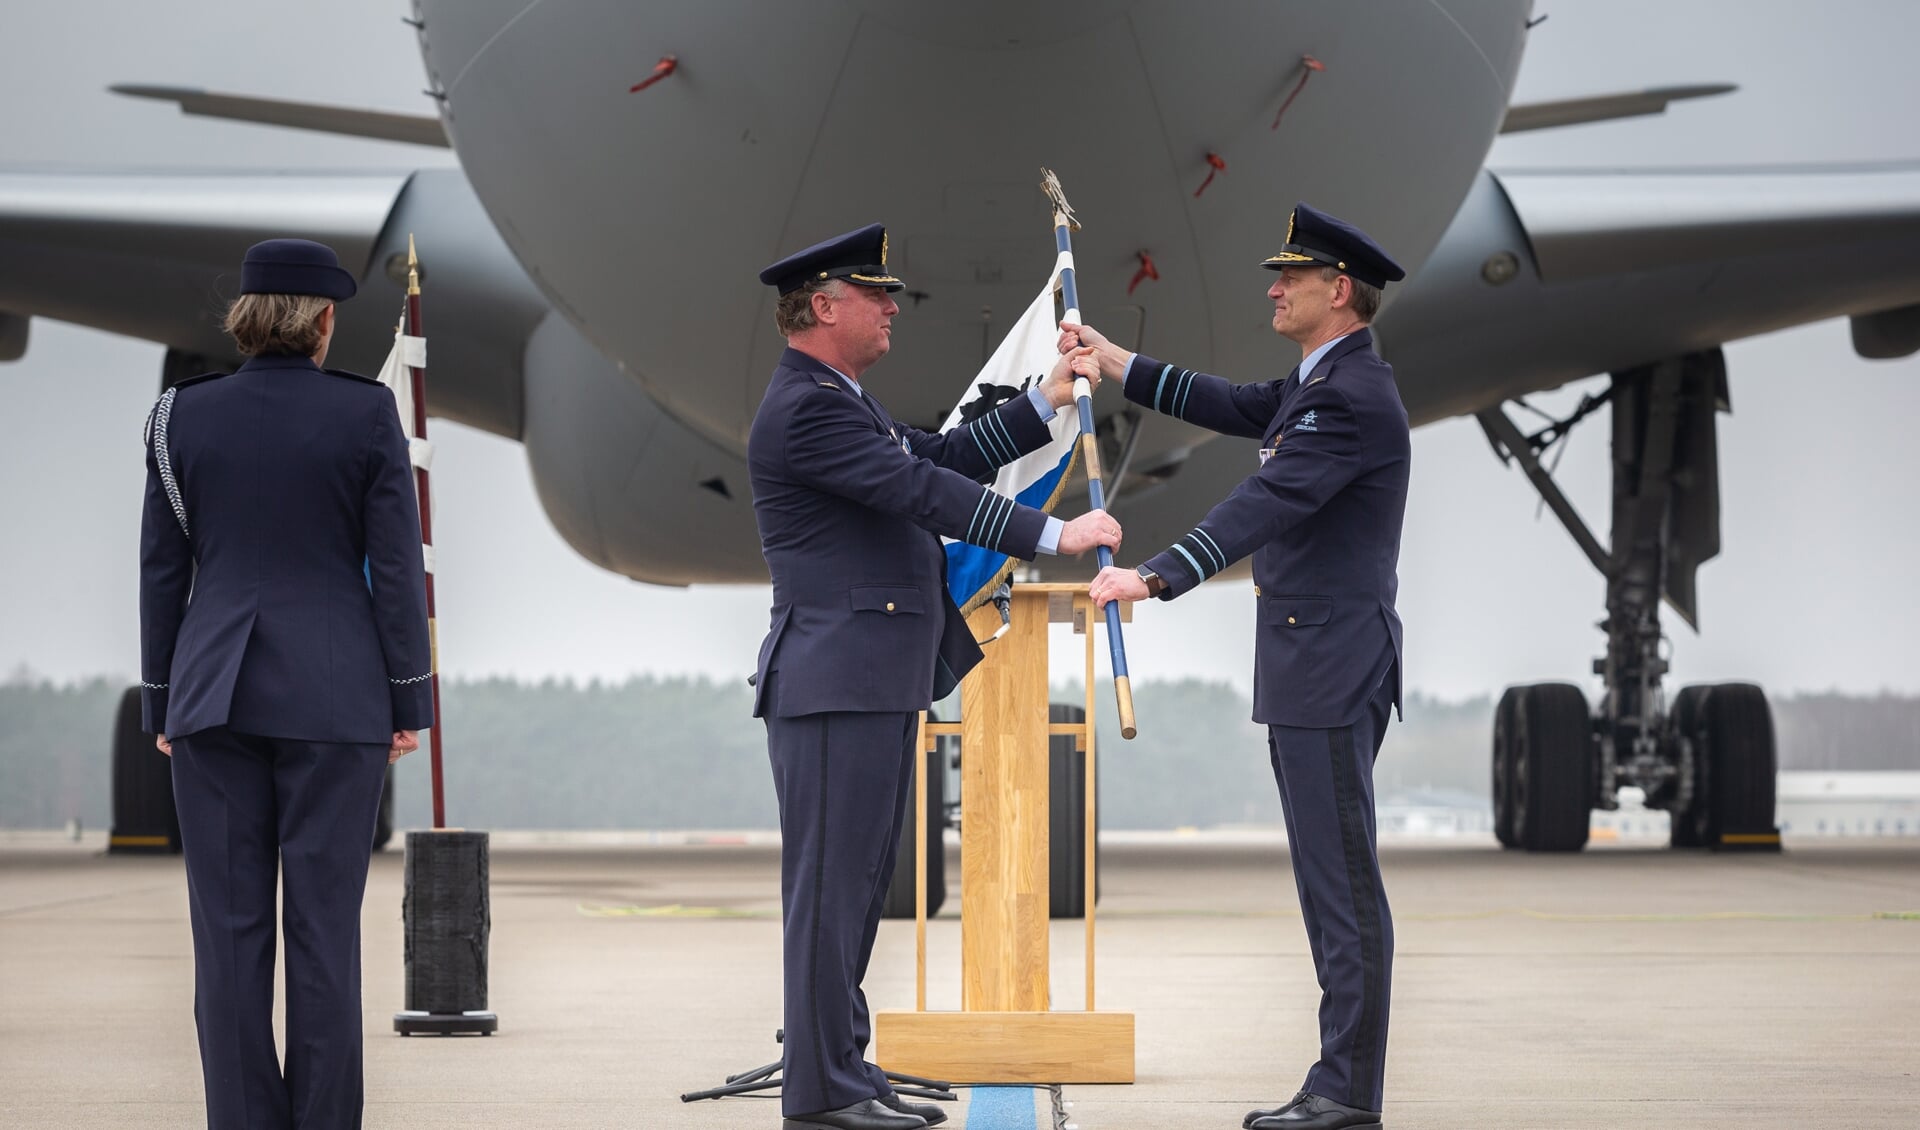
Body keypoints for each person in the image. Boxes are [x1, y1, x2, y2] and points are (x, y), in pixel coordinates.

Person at [749, 223, 1119, 1130]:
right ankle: (821, 1092)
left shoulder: (844, 400)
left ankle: (844, 1066)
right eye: (875, 294)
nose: (892, 306)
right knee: (830, 896)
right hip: (836, 680)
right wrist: (1053, 534)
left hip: (867, 678)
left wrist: (1045, 402)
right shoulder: (809, 407)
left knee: (857, 890)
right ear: (824, 306)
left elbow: (941, 455)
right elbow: (923, 493)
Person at [1075, 203, 1410, 1130]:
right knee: (1326, 881)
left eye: (1291, 278)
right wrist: (1113, 362)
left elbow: (1266, 499)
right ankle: (1337, 1081)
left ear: (1337, 292)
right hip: (1314, 662)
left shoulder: (1345, 397)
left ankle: (1347, 1092)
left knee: (1341, 885)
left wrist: (1157, 573)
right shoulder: (1321, 381)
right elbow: (1226, 404)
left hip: (1332, 665)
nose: (1273, 287)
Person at [139, 238, 433, 1130]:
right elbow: (394, 563)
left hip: (212, 698)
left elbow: (162, 573)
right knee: (322, 939)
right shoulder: (366, 413)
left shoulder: (177, 417)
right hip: (337, 701)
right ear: (324, 321)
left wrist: (162, 701)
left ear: (246, 317)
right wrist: (407, 700)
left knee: (227, 945)